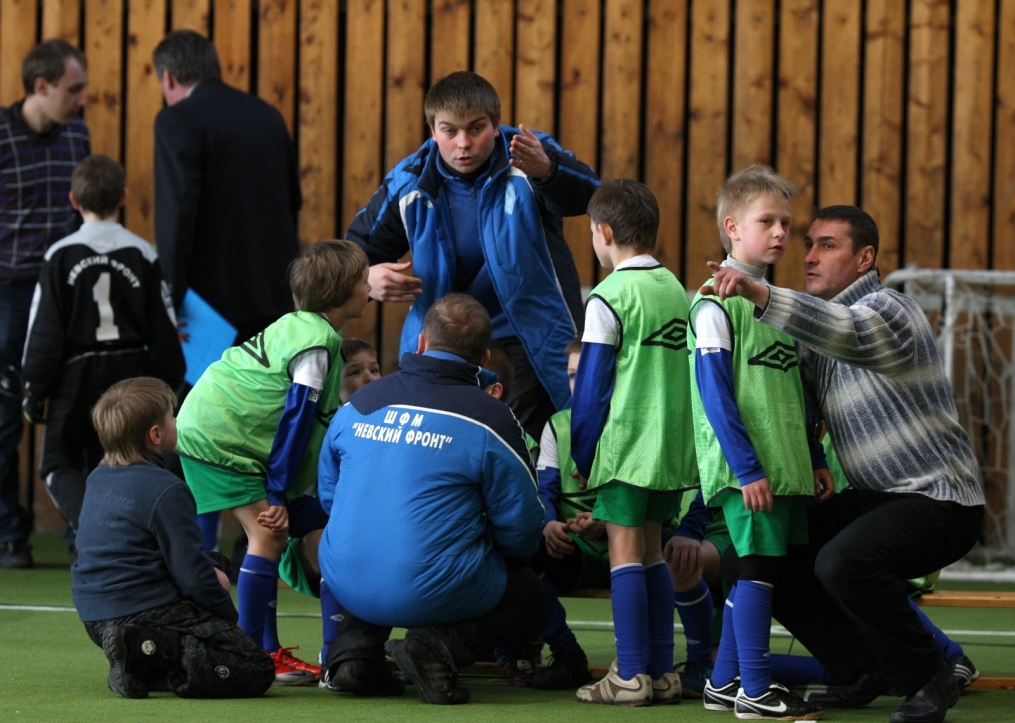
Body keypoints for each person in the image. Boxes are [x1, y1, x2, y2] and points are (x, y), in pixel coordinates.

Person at [704, 205, 985, 723]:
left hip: (941, 500)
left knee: (843, 561)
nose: (810, 256)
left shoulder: (891, 309)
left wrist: (760, 294)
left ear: (865, 258)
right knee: (757, 555)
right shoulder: (817, 335)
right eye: (808, 244)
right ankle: (863, 668)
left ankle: (931, 674)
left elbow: (849, 331)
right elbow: (791, 404)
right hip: (878, 499)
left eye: (827, 245)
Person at [317, 294, 546, 705]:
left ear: (421, 343)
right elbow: (521, 530)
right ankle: (435, 649)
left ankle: (353, 658)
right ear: (484, 357)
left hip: (341, 574)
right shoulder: (491, 417)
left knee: (379, 546)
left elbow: (330, 496)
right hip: (430, 587)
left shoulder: (358, 404)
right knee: (527, 590)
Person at [346, 71, 599, 438]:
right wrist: (366, 279)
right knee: (441, 441)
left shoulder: (529, 154)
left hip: (529, 336)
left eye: (475, 128)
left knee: (518, 441)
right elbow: (352, 256)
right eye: (449, 131)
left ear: (496, 125)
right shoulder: (409, 180)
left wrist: (549, 171)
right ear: (433, 131)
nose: (463, 143)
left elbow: (594, 196)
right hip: (444, 338)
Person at [176, 240, 370, 685]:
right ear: (342, 291)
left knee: (277, 533)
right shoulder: (318, 343)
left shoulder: (297, 326)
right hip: (221, 438)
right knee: (269, 534)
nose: (368, 288)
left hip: (205, 425)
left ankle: (268, 652)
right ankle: (246, 657)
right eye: (363, 280)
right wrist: (278, 492)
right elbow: (296, 419)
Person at [689, 166, 830, 721]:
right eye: (766, 221)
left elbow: (796, 394)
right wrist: (747, 468)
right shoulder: (712, 304)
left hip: (786, 466)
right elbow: (716, 397)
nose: (780, 233)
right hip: (750, 470)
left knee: (762, 569)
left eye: (786, 224)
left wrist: (815, 456)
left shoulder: (779, 305)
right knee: (755, 571)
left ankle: (724, 683)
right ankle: (755, 690)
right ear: (732, 227)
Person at [571, 179, 698, 706]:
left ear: (603, 233)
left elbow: (592, 386)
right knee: (651, 551)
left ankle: (628, 675)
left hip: (626, 443)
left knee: (623, 552)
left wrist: (584, 452)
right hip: (671, 446)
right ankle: (662, 671)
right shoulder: (676, 289)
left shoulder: (609, 295)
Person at [72, 377, 274, 699]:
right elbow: (193, 577)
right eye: (172, 416)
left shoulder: (98, 477)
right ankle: (147, 650)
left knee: (216, 564)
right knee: (256, 668)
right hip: (140, 611)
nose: (176, 421)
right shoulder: (168, 490)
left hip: (94, 617)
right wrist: (230, 620)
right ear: (156, 435)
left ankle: (138, 654)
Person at [21, 155, 184, 543]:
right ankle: (122, 538)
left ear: (74, 200)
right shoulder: (142, 252)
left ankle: (93, 535)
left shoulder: (60, 255)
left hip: (75, 374)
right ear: (123, 197)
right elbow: (164, 328)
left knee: (57, 462)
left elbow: (44, 331)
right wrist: (169, 385)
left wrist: (34, 390)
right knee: (123, 460)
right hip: (131, 374)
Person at [0, 39, 90, 569]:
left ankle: (84, 532)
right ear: (41, 86)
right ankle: (10, 534)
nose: (82, 100)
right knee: (5, 417)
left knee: (77, 410)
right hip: (9, 292)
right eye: (74, 89)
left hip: (65, 289)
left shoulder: (78, 133)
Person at [152, 29, 301, 343]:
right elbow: (293, 200)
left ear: (168, 77)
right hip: (276, 297)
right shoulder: (268, 115)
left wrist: (168, 302)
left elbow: (177, 220)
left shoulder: (176, 121)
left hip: (209, 311)